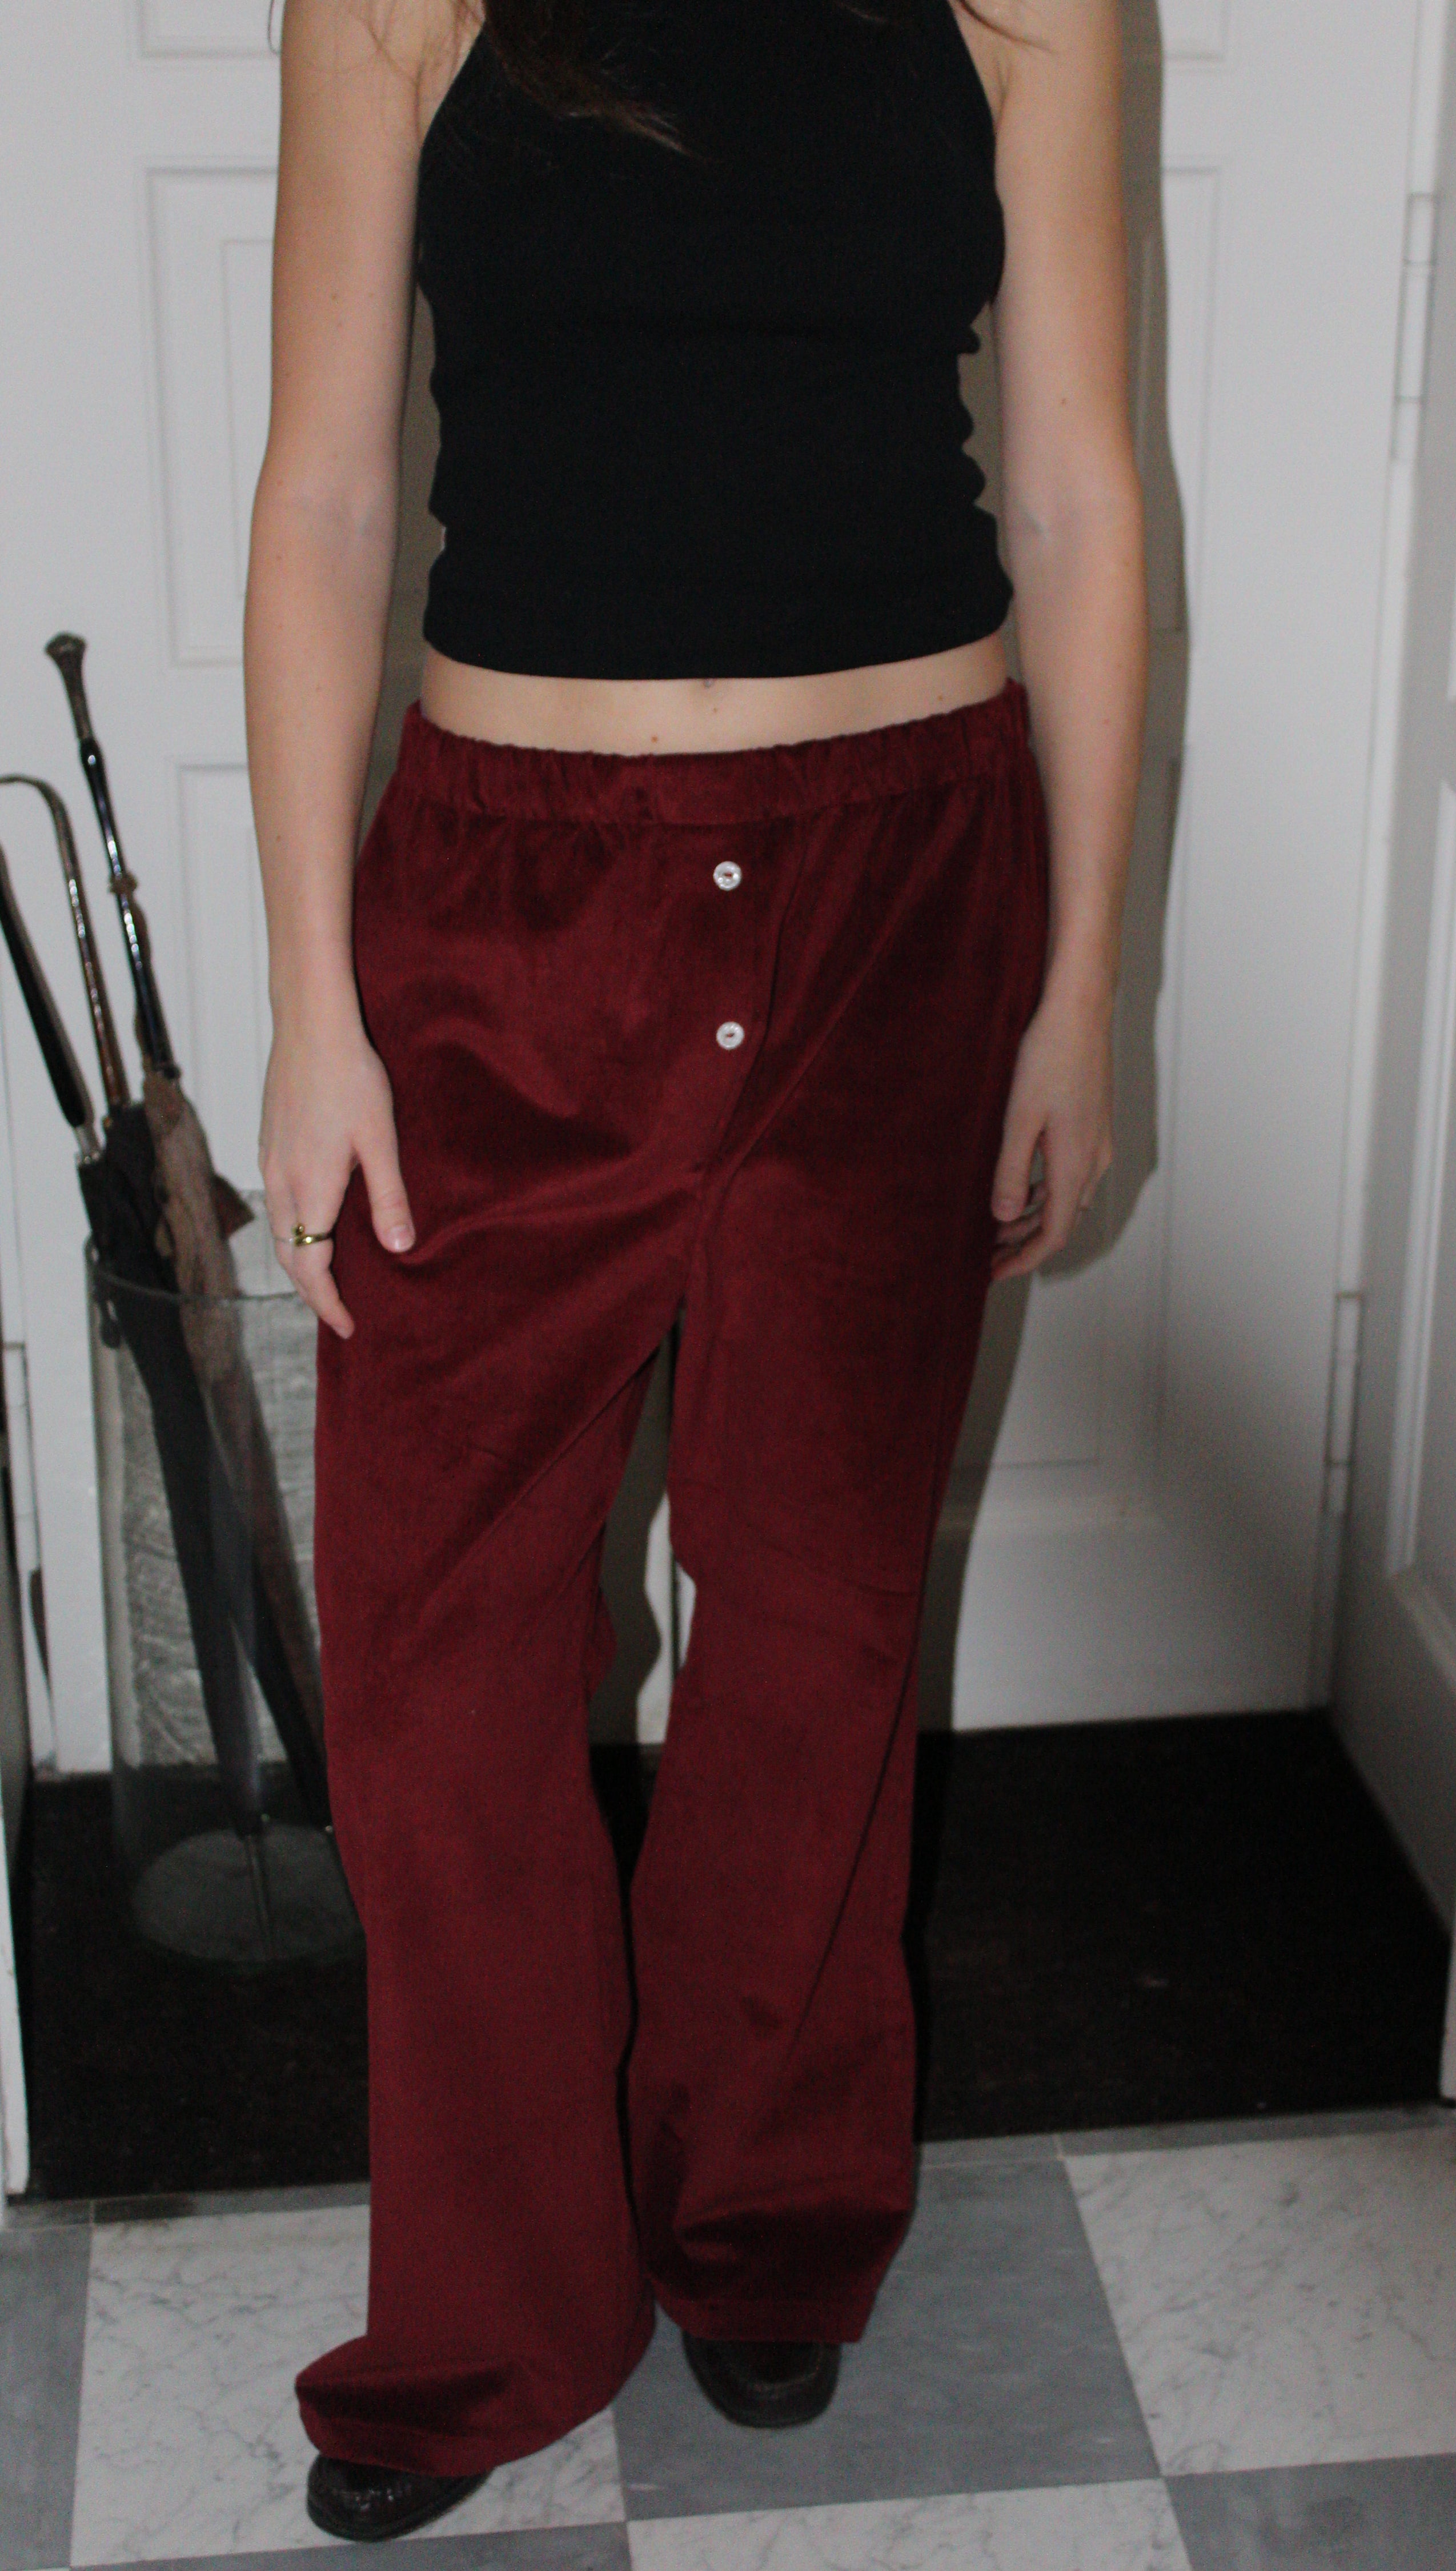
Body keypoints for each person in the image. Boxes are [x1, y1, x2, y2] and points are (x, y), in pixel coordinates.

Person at [244, 0, 1145, 2541]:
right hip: (507, 909)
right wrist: (314, 999)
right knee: (433, 1659)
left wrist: (1080, 977)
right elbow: (326, 495)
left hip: (907, 886)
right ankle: (499, 2305)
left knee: (819, 1606)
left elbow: (1075, 490)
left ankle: (766, 2204)